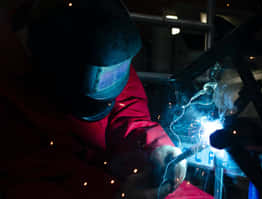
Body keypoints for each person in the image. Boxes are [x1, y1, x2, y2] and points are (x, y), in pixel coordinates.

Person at [0, 0, 214, 198]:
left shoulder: (103, 47)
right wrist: (114, 193)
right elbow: (27, 178)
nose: (111, 81)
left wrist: (155, 148)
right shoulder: (11, 90)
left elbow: (128, 111)